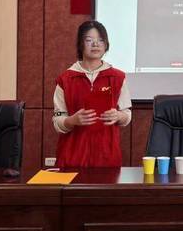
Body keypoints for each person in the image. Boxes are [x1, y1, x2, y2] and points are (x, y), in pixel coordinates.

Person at [52, 21, 132, 167]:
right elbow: (57, 121)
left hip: (107, 158)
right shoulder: (65, 79)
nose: (95, 44)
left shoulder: (117, 77)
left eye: (100, 40)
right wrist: (72, 120)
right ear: (80, 44)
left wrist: (118, 116)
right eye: (89, 40)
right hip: (72, 157)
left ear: (106, 45)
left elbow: (127, 115)